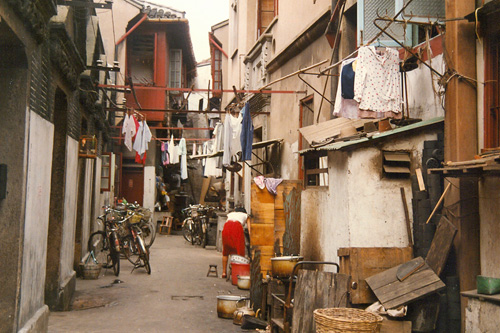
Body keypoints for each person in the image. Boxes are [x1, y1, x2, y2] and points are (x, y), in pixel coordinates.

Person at [221, 207, 250, 278]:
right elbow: (250, 230)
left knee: (226, 250)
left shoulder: (230, 214)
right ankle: (237, 272)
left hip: (226, 228)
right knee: (239, 249)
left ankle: (224, 272)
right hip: (236, 227)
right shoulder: (246, 215)